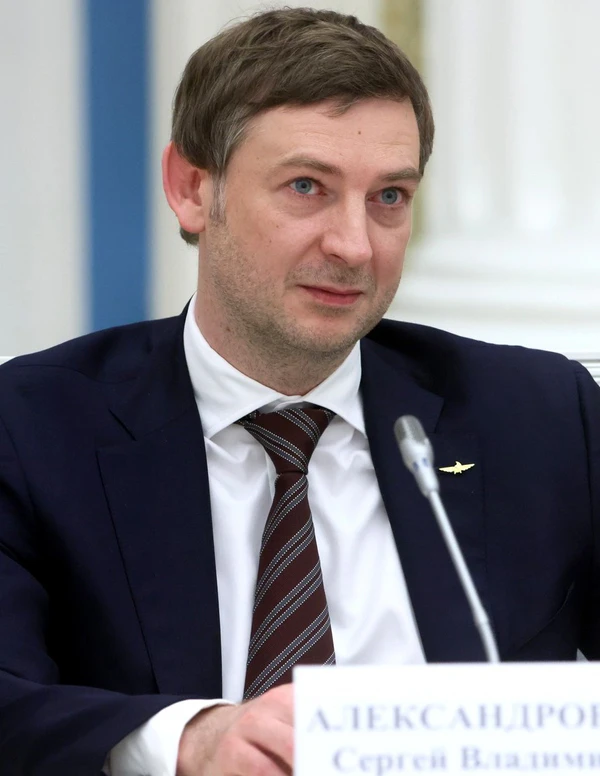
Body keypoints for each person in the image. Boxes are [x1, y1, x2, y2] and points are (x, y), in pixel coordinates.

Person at [0, 7, 599, 776]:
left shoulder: (540, 417)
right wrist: (191, 741)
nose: (355, 245)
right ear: (191, 188)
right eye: (307, 187)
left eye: (389, 197)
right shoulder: (34, 428)